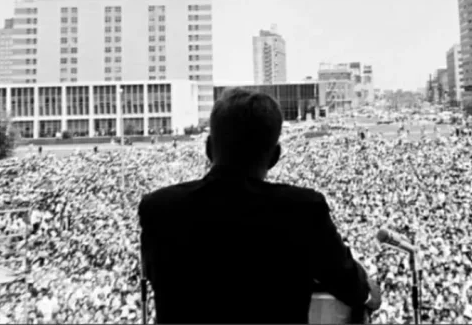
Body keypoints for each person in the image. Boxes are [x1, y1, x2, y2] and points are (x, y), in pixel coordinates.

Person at [138, 89, 381, 325]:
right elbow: (353, 287)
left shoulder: (158, 209)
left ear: (209, 148)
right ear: (274, 156)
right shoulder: (302, 210)